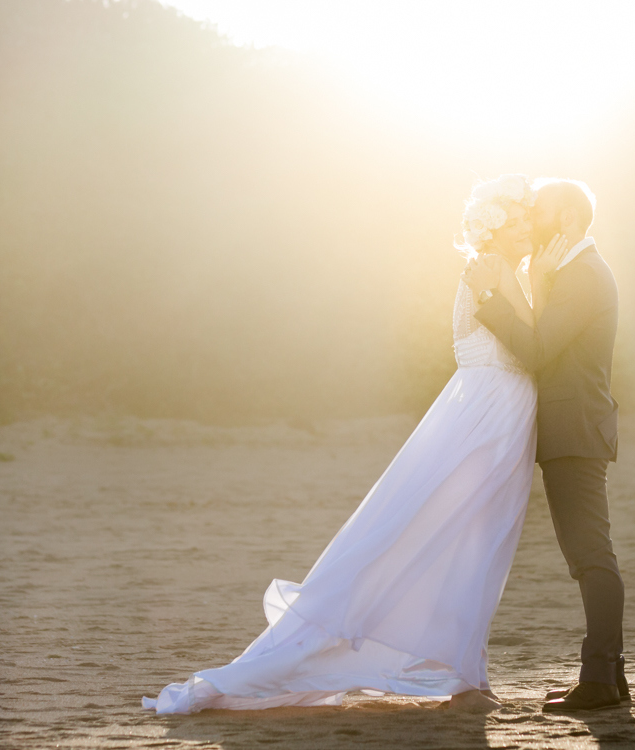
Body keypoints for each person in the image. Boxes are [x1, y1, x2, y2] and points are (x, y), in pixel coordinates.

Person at [141, 174, 572, 715]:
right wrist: (549, 278)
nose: (531, 229)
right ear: (499, 229)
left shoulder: (487, 269)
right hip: (493, 414)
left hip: (479, 407)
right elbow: (534, 347)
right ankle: (462, 671)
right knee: (472, 538)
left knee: (469, 537)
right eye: (521, 221)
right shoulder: (501, 272)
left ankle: (465, 669)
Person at [466, 178, 626, 712]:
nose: (529, 219)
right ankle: (608, 676)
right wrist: (538, 278)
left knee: (590, 557)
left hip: (576, 432)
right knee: (590, 556)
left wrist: (490, 298)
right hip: (576, 429)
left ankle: (602, 681)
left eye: (539, 211)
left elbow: (535, 349)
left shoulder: (582, 277)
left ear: (568, 221)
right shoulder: (573, 272)